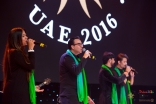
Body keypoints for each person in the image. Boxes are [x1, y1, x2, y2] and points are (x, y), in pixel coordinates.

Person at [2, 27, 44, 104]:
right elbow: (30, 66)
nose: (26, 38)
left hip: (20, 91)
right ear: (16, 38)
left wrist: (30, 87)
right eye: (23, 36)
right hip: (16, 93)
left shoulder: (19, 53)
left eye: (26, 35)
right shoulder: (15, 53)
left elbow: (23, 73)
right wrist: (31, 49)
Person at [58, 36, 94, 104]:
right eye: (79, 44)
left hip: (76, 96)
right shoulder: (66, 57)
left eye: (82, 44)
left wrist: (85, 95)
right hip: (68, 97)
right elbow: (76, 71)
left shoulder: (77, 59)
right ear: (72, 46)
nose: (82, 46)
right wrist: (84, 57)